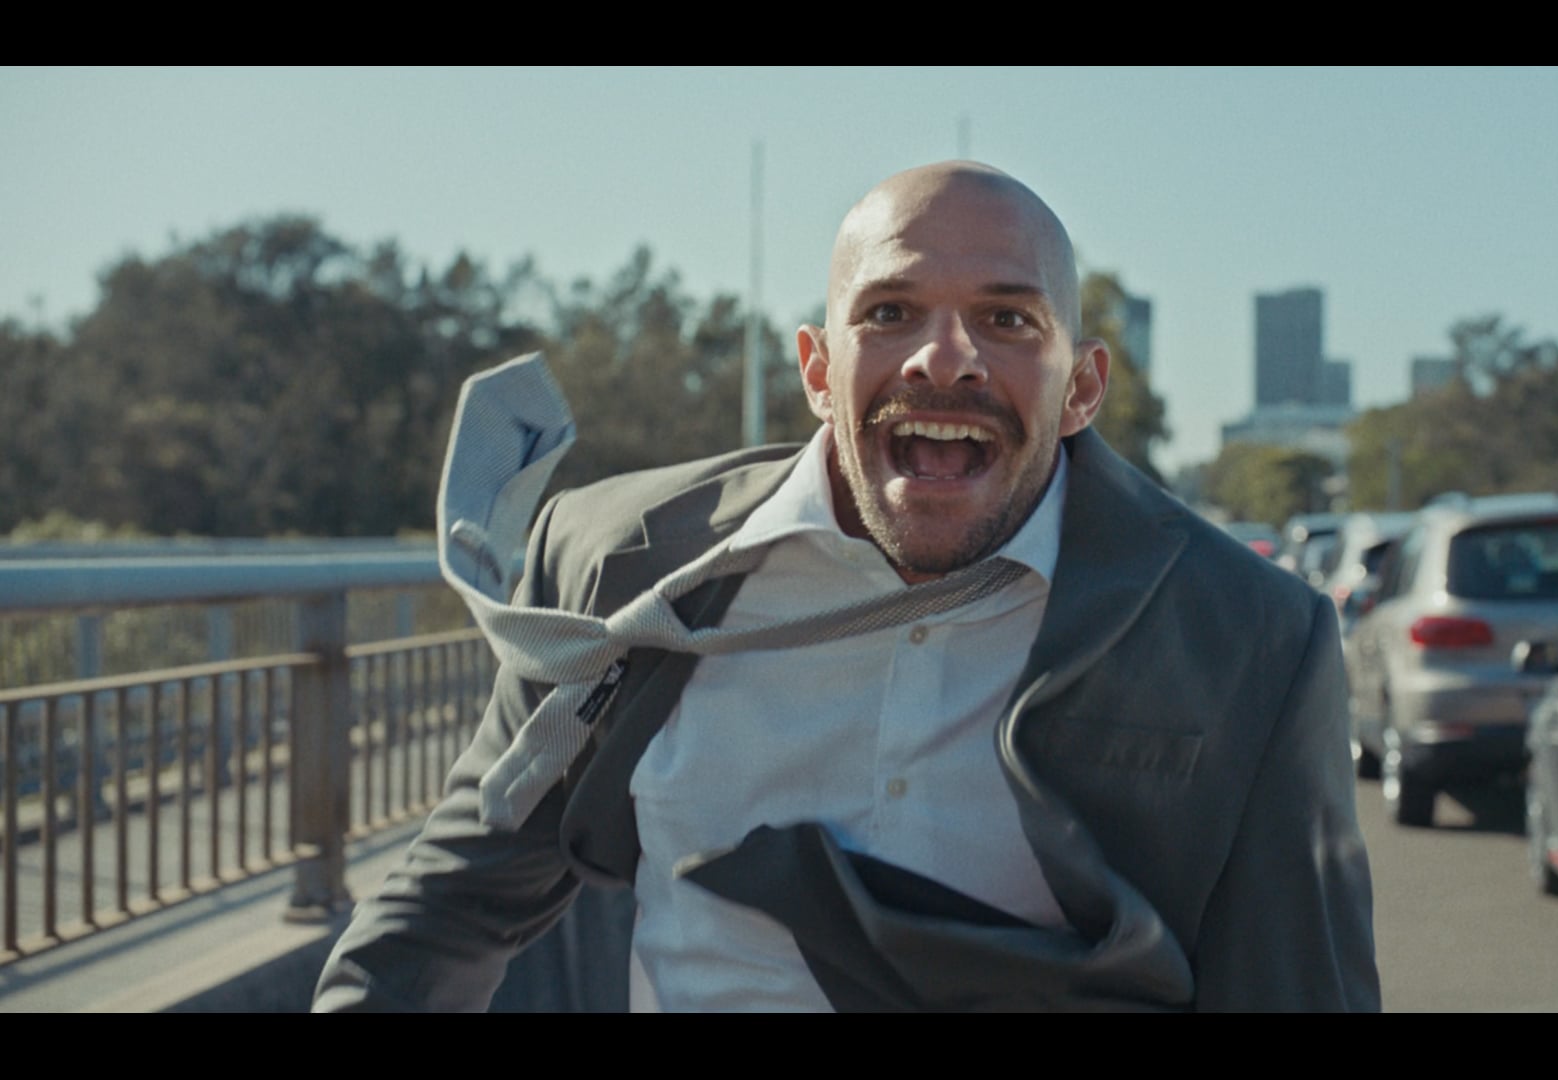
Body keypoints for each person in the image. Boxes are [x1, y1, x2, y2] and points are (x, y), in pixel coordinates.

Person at [314, 161, 1378, 1012]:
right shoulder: (619, 567)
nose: (944, 359)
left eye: (1008, 320)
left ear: (1083, 387)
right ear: (819, 371)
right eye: (892, 311)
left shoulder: (1249, 640)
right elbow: (449, 911)